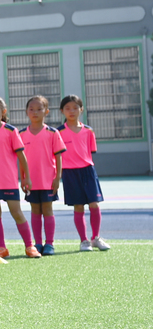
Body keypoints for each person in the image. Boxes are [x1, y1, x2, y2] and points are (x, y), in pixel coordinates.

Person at [0, 96, 39, 259]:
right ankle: (2, 248)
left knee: (16, 213)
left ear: (3, 111)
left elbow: (21, 155)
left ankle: (30, 246)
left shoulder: (11, 131)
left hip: (8, 181)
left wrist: (26, 178)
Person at [57, 94, 109, 251]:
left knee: (94, 204)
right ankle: (84, 241)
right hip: (70, 173)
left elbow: (90, 152)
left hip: (88, 171)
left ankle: (96, 238)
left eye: (75, 107)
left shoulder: (88, 131)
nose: (71, 111)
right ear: (62, 111)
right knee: (78, 207)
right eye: (68, 108)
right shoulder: (58, 132)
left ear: (81, 109)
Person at [19, 95, 66, 255]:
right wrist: (23, 177)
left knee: (47, 210)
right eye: (31, 109)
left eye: (39, 109)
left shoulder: (53, 133)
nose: (35, 112)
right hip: (31, 182)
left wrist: (57, 177)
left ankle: (50, 244)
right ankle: (37, 243)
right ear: (26, 112)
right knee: (35, 210)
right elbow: (20, 159)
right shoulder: (21, 134)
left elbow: (59, 156)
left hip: (48, 180)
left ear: (47, 111)